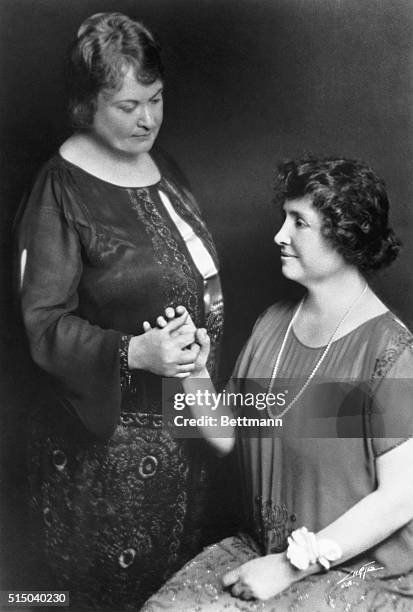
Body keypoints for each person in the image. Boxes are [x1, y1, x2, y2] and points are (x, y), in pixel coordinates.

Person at [14, 12, 224, 610]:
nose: (148, 118)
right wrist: (136, 352)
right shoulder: (59, 187)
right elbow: (42, 323)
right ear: (87, 107)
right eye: (128, 105)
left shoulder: (164, 166)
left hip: (184, 431)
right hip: (104, 460)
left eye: (156, 99)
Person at [142, 157, 413, 611]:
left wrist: (289, 566)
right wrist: (190, 372)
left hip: (361, 573)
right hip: (267, 550)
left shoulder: (391, 351)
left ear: (345, 235)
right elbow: (226, 436)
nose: (279, 235)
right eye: (283, 218)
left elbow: (402, 498)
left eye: (299, 222)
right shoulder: (273, 324)